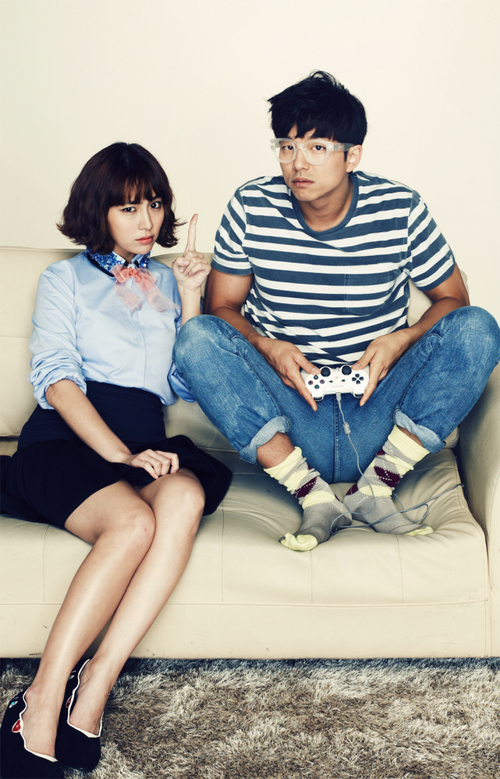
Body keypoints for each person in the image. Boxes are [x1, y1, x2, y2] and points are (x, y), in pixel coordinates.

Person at [172, 71, 500, 553]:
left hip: (378, 412)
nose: (298, 162)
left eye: (317, 148)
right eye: (286, 146)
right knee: (196, 336)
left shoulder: (400, 208)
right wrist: (267, 346)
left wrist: (401, 340)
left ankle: (376, 488)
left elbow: (455, 302)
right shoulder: (251, 205)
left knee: (479, 328)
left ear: (352, 155)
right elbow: (221, 307)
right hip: (290, 415)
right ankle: (314, 496)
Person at [0, 142, 231, 779]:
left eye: (154, 204)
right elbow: (56, 381)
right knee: (133, 524)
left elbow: (183, 388)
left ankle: (95, 686)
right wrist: (122, 454)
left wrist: (191, 298)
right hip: (69, 439)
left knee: (184, 496)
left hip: (143, 440)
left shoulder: (167, 279)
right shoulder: (65, 279)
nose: (147, 220)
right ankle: (41, 700)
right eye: (129, 207)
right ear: (98, 210)